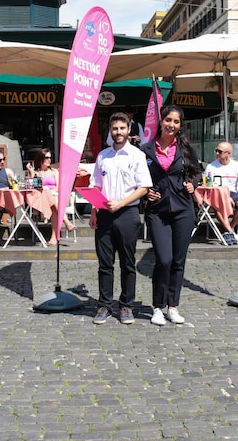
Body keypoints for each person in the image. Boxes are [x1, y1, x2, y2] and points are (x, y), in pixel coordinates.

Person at [140, 105, 201, 326]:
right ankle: (157, 307)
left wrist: (193, 184)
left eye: (176, 122)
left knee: (178, 261)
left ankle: (172, 306)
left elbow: (197, 172)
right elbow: (137, 178)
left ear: (180, 125)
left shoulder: (186, 150)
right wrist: (146, 192)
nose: (171, 125)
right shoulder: (146, 150)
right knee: (163, 260)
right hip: (157, 211)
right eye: (168, 120)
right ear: (161, 121)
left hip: (183, 209)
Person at [91, 112, 153, 325]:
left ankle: (126, 305)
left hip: (128, 214)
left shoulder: (137, 155)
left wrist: (121, 203)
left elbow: (144, 187)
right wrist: (93, 212)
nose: (118, 132)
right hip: (104, 213)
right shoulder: (103, 156)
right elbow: (97, 185)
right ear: (110, 130)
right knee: (104, 263)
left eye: (122, 128)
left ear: (129, 130)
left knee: (127, 262)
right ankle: (104, 305)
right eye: (115, 128)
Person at [25, 148, 75, 245]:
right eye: (46, 157)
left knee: (53, 204)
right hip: (41, 200)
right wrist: (31, 173)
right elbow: (30, 187)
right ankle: (66, 223)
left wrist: (49, 192)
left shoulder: (54, 172)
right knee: (52, 200)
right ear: (41, 159)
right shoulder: (36, 173)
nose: (49, 160)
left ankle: (54, 236)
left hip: (55, 196)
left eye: (50, 158)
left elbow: (58, 187)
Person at [204, 142, 238, 245]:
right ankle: (230, 232)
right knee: (219, 203)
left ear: (228, 153)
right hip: (217, 192)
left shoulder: (237, 166)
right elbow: (208, 185)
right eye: (216, 150)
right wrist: (224, 196)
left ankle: (230, 229)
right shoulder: (211, 167)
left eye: (219, 151)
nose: (217, 153)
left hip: (233, 193)